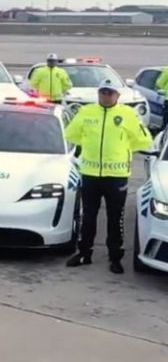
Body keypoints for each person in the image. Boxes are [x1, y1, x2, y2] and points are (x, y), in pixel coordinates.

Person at [64, 79, 153, 274]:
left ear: (117, 95)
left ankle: (115, 257)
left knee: (115, 218)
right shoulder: (86, 112)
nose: (106, 95)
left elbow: (143, 139)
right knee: (88, 216)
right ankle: (84, 253)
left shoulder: (128, 114)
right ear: (98, 94)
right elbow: (72, 135)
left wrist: (124, 149)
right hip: (90, 174)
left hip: (116, 175)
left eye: (110, 92)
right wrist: (89, 146)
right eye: (103, 92)